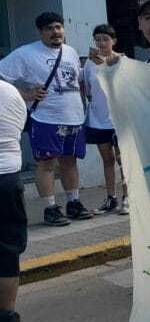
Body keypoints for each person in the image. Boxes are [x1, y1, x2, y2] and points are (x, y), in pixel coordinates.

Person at [0, 12, 92, 226]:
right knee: (47, 163)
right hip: (45, 118)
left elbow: (77, 81)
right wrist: (24, 95)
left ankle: (74, 203)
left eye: (59, 27)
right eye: (49, 28)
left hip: (74, 118)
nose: (55, 32)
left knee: (70, 161)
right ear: (41, 32)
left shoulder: (69, 52)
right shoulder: (25, 53)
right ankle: (50, 208)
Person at [82, 24, 126, 214]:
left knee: (122, 160)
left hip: (119, 118)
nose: (101, 43)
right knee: (107, 159)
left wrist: (104, 64)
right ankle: (111, 199)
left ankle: (128, 199)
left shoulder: (122, 60)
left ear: (113, 41)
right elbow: (87, 89)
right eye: (98, 39)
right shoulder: (89, 63)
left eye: (105, 39)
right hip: (98, 118)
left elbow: (123, 86)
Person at [0, 79, 28, 322]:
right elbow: (19, 127)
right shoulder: (10, 92)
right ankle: (7, 314)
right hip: (8, 177)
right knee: (8, 247)